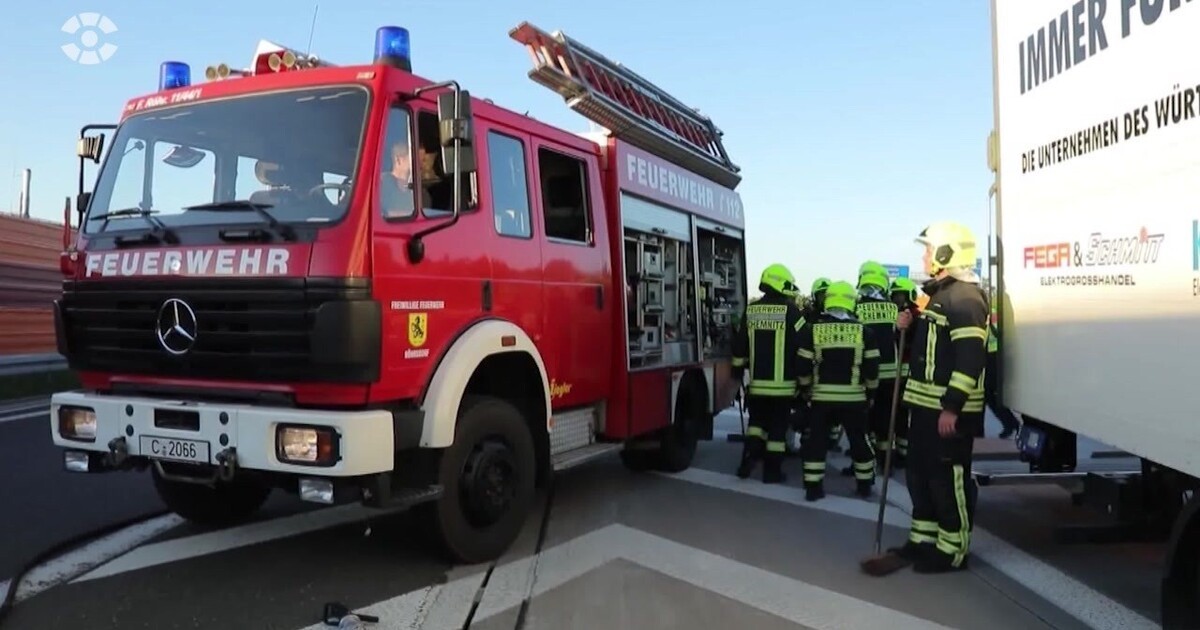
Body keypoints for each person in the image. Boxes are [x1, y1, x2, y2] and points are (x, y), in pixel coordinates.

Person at [890, 221, 989, 574]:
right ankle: (923, 540)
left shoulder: (965, 298)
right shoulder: (937, 296)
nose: (925, 256)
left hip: (948, 412)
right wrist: (907, 324)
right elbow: (928, 346)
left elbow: (970, 357)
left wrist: (952, 407)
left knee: (948, 479)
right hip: (924, 407)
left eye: (929, 250)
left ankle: (953, 549)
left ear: (947, 253)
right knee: (920, 475)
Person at [796, 281, 880, 502]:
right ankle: (864, 485)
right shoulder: (865, 332)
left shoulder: (812, 330)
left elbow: (803, 365)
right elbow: (872, 370)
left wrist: (806, 389)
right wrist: (870, 393)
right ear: (852, 302)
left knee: (817, 442)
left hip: (822, 398)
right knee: (859, 441)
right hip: (854, 398)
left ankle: (813, 488)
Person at [732, 264, 804, 484]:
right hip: (783, 386)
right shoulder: (791, 311)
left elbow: (740, 346)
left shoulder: (751, 310)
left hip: (757, 385)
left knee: (756, 425)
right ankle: (772, 473)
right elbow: (804, 344)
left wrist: (737, 372)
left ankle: (748, 460)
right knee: (777, 431)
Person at [855, 262, 901, 473]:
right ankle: (885, 461)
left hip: (866, 375)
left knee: (865, 421)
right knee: (885, 421)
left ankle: (867, 462)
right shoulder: (893, 308)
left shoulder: (856, 310)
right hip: (891, 375)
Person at [888, 277, 921, 467]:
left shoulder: (917, 317)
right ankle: (901, 451)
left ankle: (905, 453)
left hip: (909, 372)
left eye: (901, 295)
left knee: (903, 415)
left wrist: (904, 331)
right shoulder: (893, 315)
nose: (898, 299)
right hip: (895, 371)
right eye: (896, 295)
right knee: (897, 415)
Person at [984, 307, 1021, 439]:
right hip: (989, 351)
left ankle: (1010, 423)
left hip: (995, 352)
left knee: (989, 392)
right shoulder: (991, 298)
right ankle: (1010, 423)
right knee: (989, 393)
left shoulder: (999, 299)